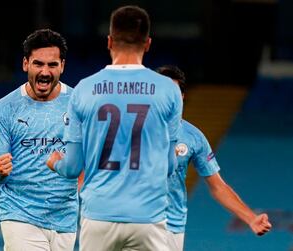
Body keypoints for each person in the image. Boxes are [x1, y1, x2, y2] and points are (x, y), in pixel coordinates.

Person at [47, 5, 183, 251]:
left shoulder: (84, 90)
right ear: (148, 43)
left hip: (99, 215)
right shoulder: (169, 90)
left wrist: (54, 161)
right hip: (148, 217)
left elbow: (72, 167)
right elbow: (171, 166)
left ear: (109, 41)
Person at [156, 65, 272, 251]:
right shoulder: (132, 130)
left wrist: (251, 218)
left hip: (170, 228)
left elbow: (218, 187)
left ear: (183, 97)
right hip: (135, 220)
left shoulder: (193, 137)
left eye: (174, 92)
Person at [0, 29, 78, 251]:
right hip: (20, 213)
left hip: (65, 218)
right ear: (26, 64)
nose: (45, 71)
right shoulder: (5, 108)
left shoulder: (78, 104)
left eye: (52, 65)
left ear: (62, 66)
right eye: (38, 64)